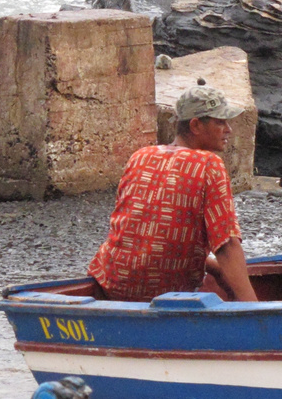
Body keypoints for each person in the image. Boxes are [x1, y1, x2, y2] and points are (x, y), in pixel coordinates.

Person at [88, 81, 257, 303]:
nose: (229, 130)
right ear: (196, 126)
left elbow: (150, 237)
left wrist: (213, 268)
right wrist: (253, 308)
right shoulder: (208, 164)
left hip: (111, 284)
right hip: (164, 294)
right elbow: (226, 244)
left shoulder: (140, 156)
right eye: (220, 122)